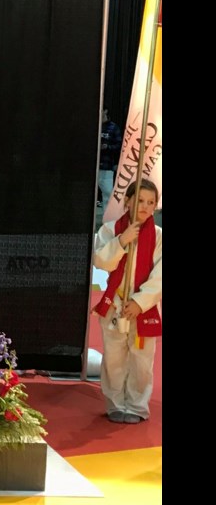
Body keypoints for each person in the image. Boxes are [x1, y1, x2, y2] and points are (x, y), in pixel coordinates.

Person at [92, 180, 161, 424]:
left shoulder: (159, 236)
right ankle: (115, 404)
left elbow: (160, 275)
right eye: (140, 200)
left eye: (151, 203)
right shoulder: (110, 230)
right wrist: (122, 241)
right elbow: (101, 262)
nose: (145, 207)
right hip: (115, 302)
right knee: (113, 357)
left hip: (143, 306)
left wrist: (140, 302)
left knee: (142, 360)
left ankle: (136, 405)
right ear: (128, 200)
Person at [98, 109, 122, 207]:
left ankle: (108, 220)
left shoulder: (113, 127)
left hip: (106, 164)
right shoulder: (95, 125)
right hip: (92, 165)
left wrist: (107, 147)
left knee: (108, 193)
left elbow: (119, 145)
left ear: (105, 111)